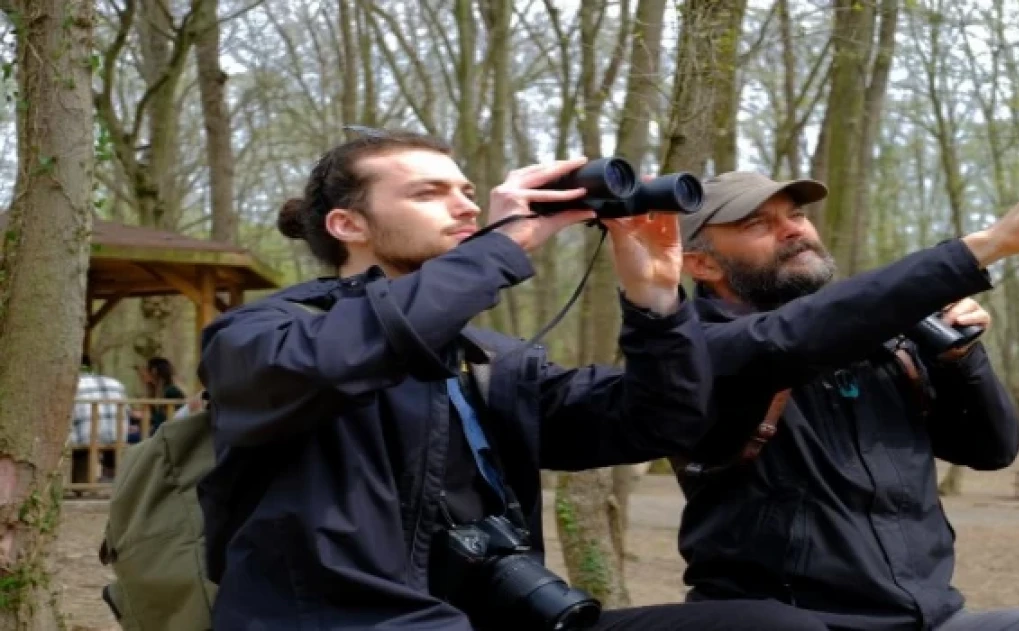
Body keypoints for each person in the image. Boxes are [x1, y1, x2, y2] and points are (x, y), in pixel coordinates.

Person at [196, 128, 828, 631]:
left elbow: (658, 421)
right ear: (347, 225)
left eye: (466, 190)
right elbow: (343, 357)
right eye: (427, 193)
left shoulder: (488, 363)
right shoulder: (261, 335)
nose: (466, 205)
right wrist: (501, 248)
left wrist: (656, 301)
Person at [671, 165, 1019, 631]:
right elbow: (789, 339)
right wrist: (987, 244)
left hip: (931, 618)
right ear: (700, 263)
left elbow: (992, 449)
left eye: (798, 214)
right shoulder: (692, 354)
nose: (794, 229)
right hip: (789, 623)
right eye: (757, 224)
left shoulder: (883, 341)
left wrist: (960, 357)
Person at [69, 354, 133, 481]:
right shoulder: (115, 383)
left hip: (86, 438)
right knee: (109, 433)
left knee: (78, 435)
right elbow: (127, 410)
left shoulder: (72, 385)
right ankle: (111, 479)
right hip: (118, 436)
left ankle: (81, 484)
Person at [130, 356, 185, 438]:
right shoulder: (155, 392)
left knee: (128, 438)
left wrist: (142, 417)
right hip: (155, 431)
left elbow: (166, 418)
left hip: (167, 434)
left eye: (145, 369)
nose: (142, 373)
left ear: (154, 371)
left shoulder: (172, 391)